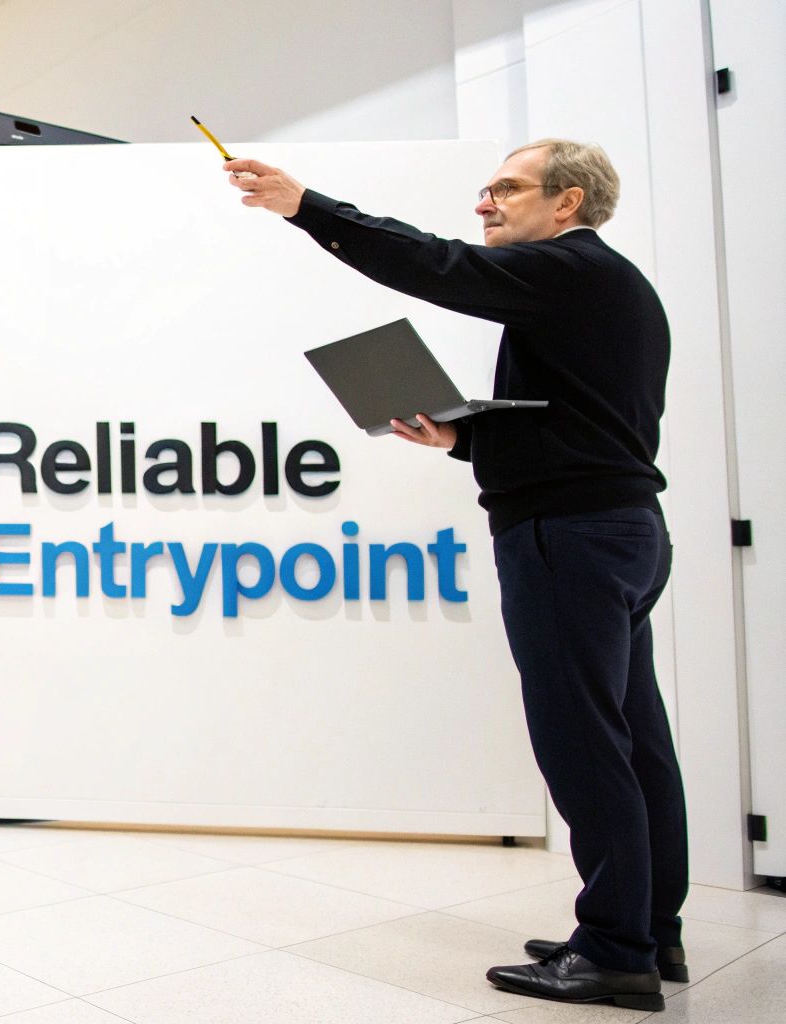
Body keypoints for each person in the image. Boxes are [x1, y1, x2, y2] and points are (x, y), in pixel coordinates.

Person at [228, 139, 682, 1012]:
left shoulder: (571, 270)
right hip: (619, 529)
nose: (486, 203)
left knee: (583, 740)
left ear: (568, 202)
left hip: (568, 535)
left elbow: (437, 268)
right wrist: (464, 437)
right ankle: (650, 931)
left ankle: (617, 949)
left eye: (507, 188)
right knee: (632, 735)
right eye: (486, 189)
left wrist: (306, 206)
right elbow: (588, 424)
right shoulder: (602, 285)